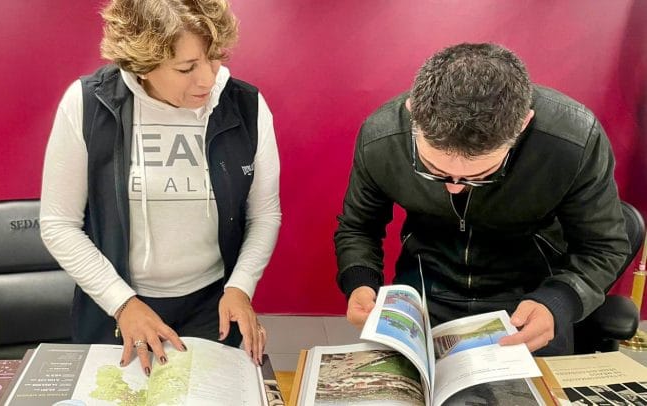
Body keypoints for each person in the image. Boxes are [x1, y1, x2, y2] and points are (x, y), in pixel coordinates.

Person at [334, 43, 630, 355]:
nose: (454, 189)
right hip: (425, 291)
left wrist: (559, 302)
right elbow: (358, 227)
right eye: (434, 171)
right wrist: (360, 281)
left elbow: (603, 246)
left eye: (480, 175)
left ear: (523, 124)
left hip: (533, 299)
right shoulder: (381, 137)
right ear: (412, 114)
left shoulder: (574, 140)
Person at [40, 0, 281, 374]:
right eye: (186, 68)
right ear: (143, 63)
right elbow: (58, 224)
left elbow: (264, 214)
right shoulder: (89, 104)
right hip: (115, 305)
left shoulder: (246, 106)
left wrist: (241, 286)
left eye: (214, 57)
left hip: (212, 304)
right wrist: (122, 303)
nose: (208, 79)